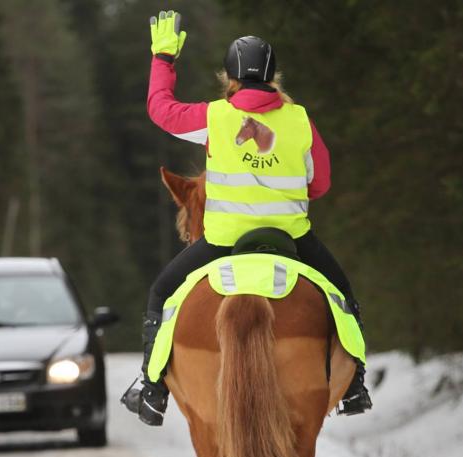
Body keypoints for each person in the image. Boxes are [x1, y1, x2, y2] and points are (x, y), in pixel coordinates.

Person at [122, 10, 372, 426]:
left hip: (222, 240)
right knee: (344, 297)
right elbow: (320, 184)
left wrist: (163, 58)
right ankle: (356, 385)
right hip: (292, 240)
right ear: (274, 77)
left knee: (162, 293)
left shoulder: (214, 117)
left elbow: (160, 109)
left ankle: (151, 391)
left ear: (230, 79)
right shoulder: (300, 120)